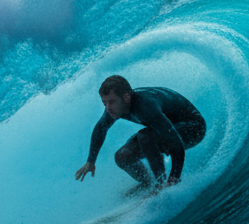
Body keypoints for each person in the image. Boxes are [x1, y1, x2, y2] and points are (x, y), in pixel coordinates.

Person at [75, 75, 206, 191]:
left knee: (145, 137)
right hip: (166, 130)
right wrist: (90, 162)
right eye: (104, 103)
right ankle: (147, 183)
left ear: (126, 97)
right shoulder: (115, 108)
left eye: (112, 102)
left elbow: (175, 142)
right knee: (122, 157)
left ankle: (160, 184)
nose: (108, 108)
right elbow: (100, 128)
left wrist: (174, 178)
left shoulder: (145, 106)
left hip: (193, 128)